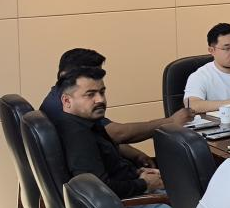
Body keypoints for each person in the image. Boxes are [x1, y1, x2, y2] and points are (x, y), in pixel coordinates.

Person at [54, 67, 172, 208]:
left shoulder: (85, 123)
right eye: (90, 94)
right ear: (67, 101)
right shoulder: (78, 136)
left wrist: (138, 174)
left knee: (184, 194)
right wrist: (144, 184)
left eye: (102, 92)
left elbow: (105, 171)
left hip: (114, 205)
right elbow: (97, 192)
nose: (100, 100)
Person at [41, 47, 189, 158]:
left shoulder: (59, 98)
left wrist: (135, 155)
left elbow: (103, 136)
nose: (96, 80)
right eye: (89, 75)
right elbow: (117, 133)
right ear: (65, 76)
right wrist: (170, 122)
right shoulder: (63, 107)